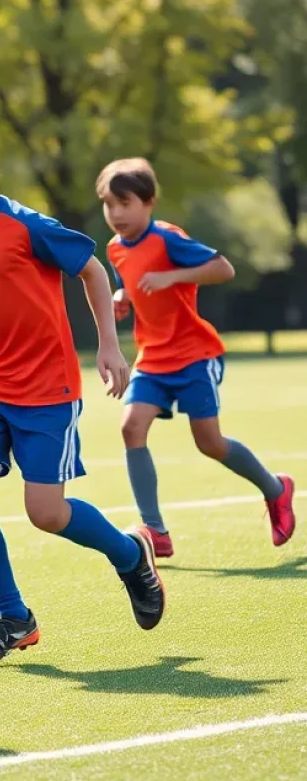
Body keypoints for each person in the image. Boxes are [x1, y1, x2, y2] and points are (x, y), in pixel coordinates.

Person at [0, 106, 165, 666]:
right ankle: (14, 617)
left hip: (47, 388)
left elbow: (93, 270)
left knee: (46, 512)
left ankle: (129, 553)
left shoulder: (27, 226)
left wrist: (112, 346)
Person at [99, 157, 295, 555]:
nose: (116, 213)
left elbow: (223, 269)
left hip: (193, 355)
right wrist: (122, 297)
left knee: (209, 442)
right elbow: (129, 282)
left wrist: (173, 276)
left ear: (149, 202)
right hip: (152, 358)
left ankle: (276, 489)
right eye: (108, 204)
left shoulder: (169, 238)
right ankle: (156, 531)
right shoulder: (115, 248)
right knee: (131, 427)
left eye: (125, 203)